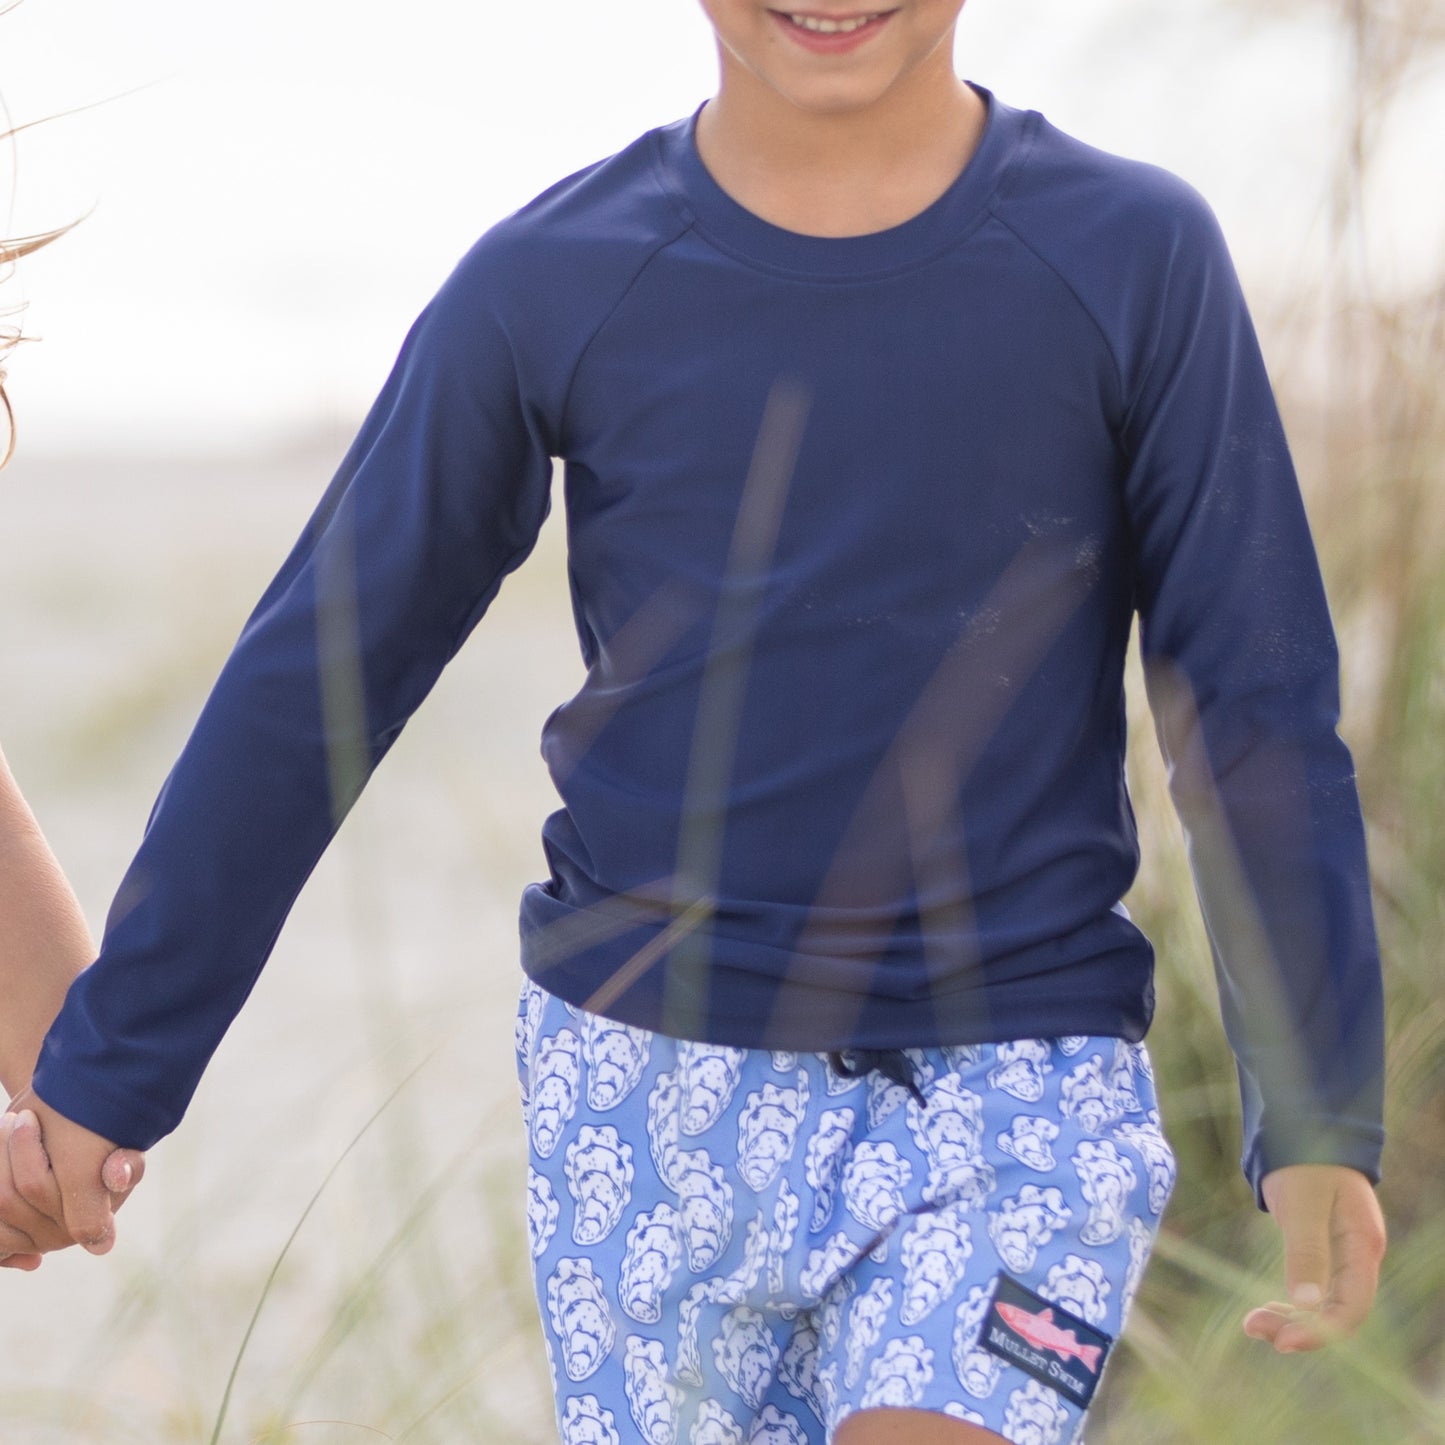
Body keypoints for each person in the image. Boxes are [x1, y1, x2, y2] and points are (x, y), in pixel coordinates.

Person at [2, 2, 1388, 1441]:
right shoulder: (550, 280)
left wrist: (1316, 1109)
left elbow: (1251, 703)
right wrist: (115, 1067)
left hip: (1011, 1088)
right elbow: (318, 683)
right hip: (644, 1101)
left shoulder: (1131, 256)